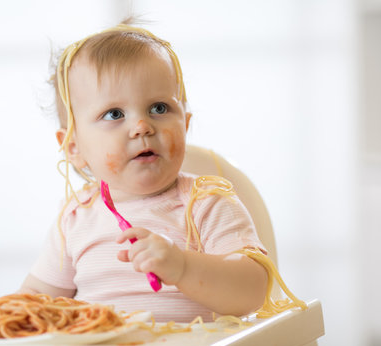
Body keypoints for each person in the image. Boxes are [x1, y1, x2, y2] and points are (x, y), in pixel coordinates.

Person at [19, 20, 268, 322]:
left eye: (159, 108)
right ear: (73, 147)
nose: (142, 127)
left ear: (185, 125)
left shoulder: (207, 204)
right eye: (114, 114)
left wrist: (183, 268)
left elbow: (252, 292)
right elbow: (38, 297)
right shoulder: (75, 217)